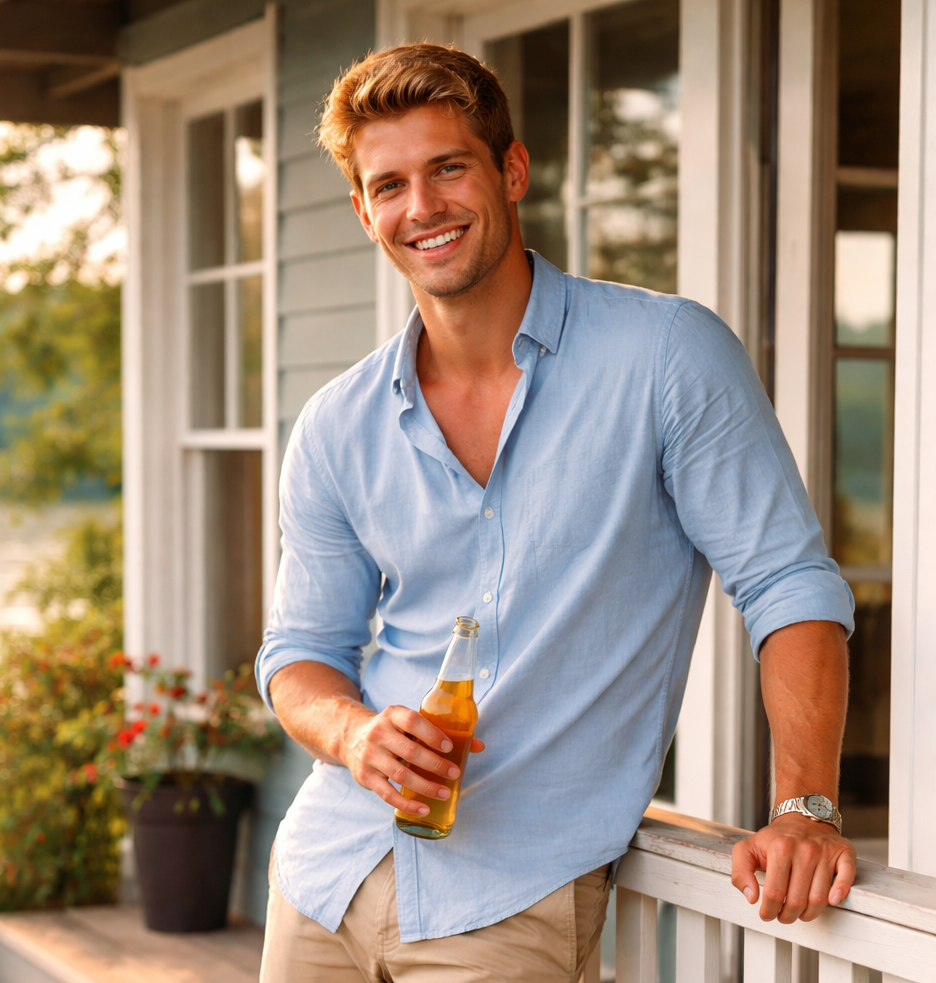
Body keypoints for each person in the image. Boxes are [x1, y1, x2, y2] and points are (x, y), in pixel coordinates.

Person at [255, 43, 856, 983]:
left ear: (512, 169)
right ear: (365, 210)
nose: (424, 207)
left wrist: (802, 808)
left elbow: (787, 583)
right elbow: (297, 653)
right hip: (324, 878)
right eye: (391, 184)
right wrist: (355, 735)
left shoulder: (666, 357)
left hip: (512, 901)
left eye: (448, 166)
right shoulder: (337, 424)